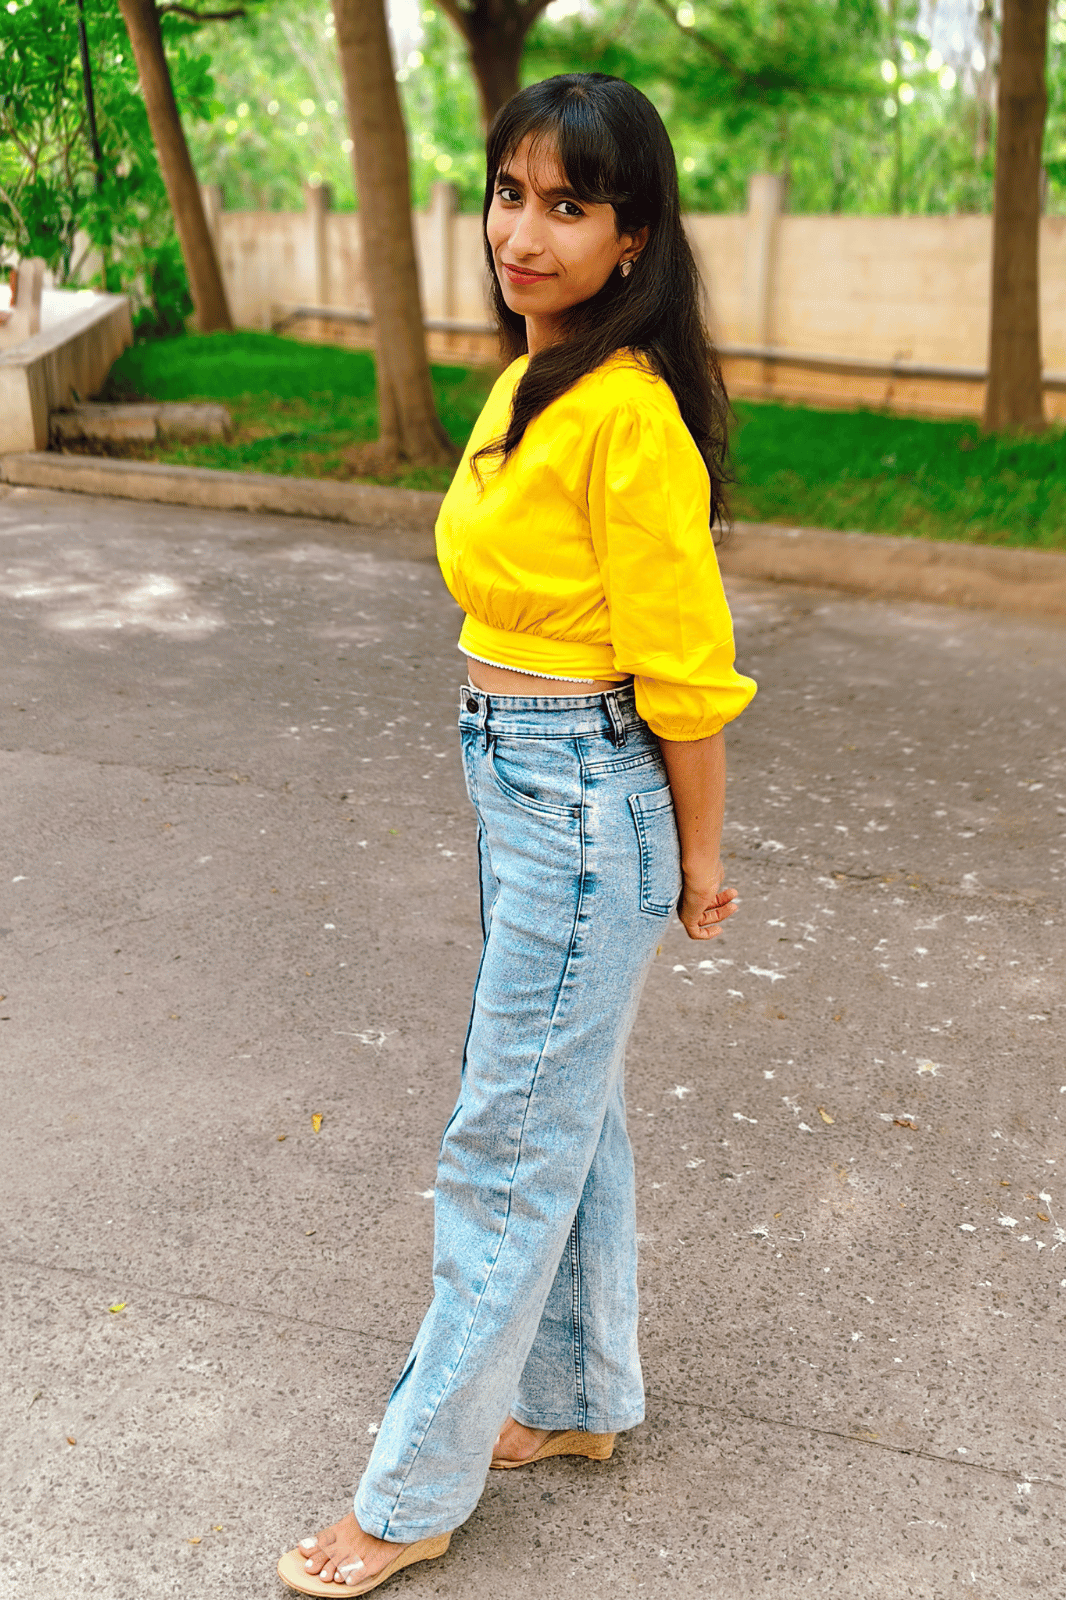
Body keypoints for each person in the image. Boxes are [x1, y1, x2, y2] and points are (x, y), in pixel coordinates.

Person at [278, 71, 756, 1597]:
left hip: (583, 795)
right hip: (515, 771)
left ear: (632, 239)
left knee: (503, 1142)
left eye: (566, 204)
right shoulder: (531, 379)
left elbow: (685, 669)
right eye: (507, 194)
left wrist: (700, 864)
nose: (523, 230)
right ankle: (574, 1402)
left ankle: (412, 1491)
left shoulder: (630, 417)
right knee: (572, 1108)